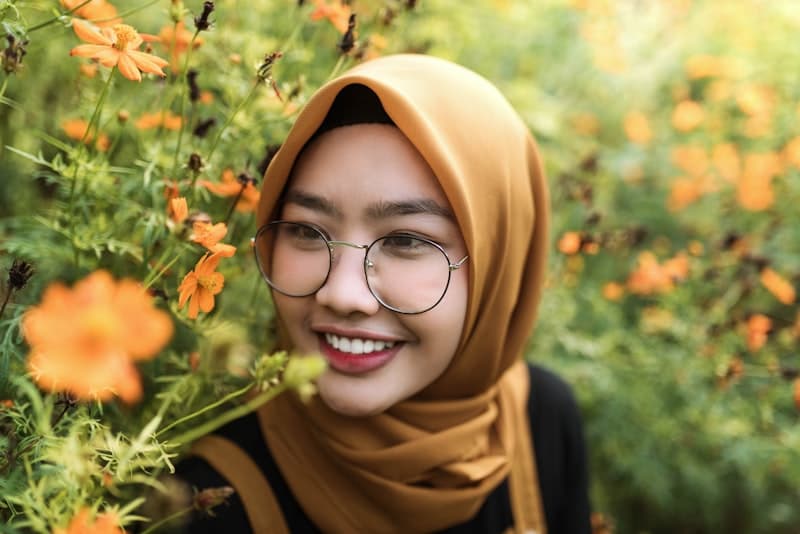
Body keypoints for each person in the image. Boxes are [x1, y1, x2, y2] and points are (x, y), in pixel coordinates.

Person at [176, 54, 592, 534]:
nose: (343, 294)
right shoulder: (211, 503)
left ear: (499, 259)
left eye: (406, 241)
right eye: (308, 231)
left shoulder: (538, 419)